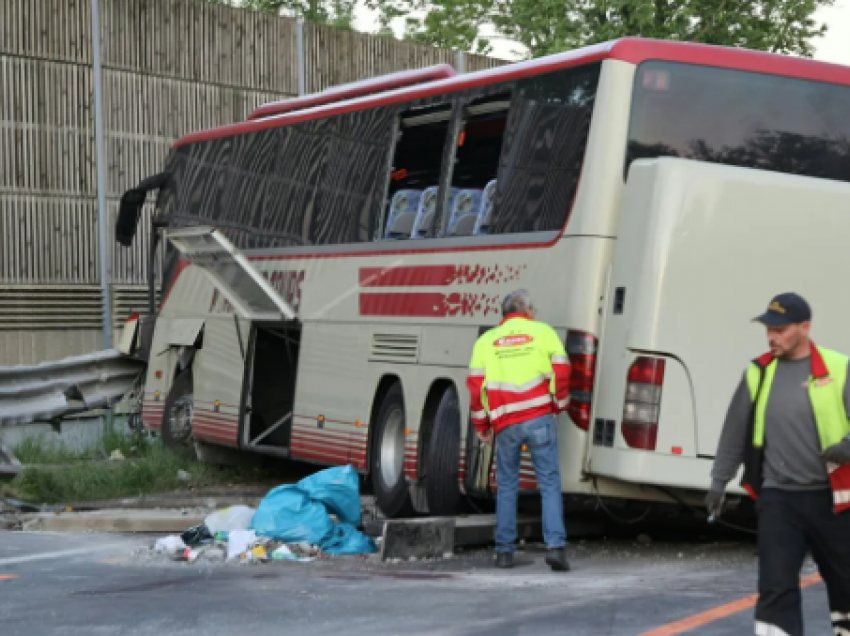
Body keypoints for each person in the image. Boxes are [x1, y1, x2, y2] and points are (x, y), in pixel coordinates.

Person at [706, 292, 850, 636]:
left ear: (805, 327)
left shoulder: (839, 367)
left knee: (845, 582)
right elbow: (734, 432)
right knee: (776, 586)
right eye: (769, 329)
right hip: (778, 499)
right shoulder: (758, 373)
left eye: (781, 330)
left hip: (833, 500)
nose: (772, 337)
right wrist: (718, 480)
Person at [466, 289, 571, 571]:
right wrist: (559, 404)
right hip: (539, 418)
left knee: (507, 485)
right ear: (527, 311)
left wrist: (482, 425)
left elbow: (477, 388)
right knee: (549, 482)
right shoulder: (543, 332)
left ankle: (504, 552)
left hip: (506, 424)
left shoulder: (486, 341)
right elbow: (562, 370)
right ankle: (556, 549)